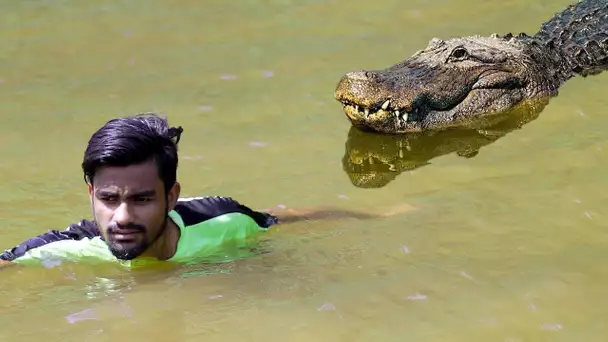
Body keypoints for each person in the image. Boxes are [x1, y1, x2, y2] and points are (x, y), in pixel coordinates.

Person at [0, 113, 415, 268]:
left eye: (142, 199)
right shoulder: (66, 245)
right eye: (109, 199)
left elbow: (294, 217)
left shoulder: (223, 219)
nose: (122, 218)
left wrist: (378, 215)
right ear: (91, 193)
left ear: (172, 195)